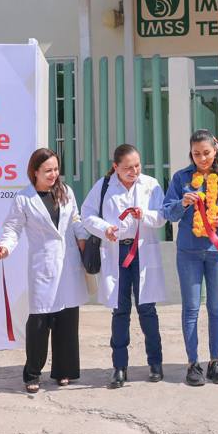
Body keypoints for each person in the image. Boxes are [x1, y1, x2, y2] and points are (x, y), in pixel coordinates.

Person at [0, 148, 91, 392]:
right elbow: (13, 228)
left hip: (69, 263)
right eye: (48, 170)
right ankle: (32, 373)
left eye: (56, 169)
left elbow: (76, 220)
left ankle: (63, 371)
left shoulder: (66, 192)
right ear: (35, 171)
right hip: (44, 265)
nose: (53, 174)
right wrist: (5, 246)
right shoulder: (24, 198)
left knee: (67, 319)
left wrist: (84, 242)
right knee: (40, 320)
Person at [162, 130, 218, 387]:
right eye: (196, 154)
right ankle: (192, 363)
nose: (202, 158)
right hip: (189, 251)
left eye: (206, 153)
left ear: (215, 149)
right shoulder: (181, 178)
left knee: (216, 307)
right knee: (191, 308)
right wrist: (182, 204)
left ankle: (215, 361)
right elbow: (168, 212)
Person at [81, 144, 167, 389]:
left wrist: (145, 216)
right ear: (116, 167)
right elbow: (86, 215)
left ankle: (155, 363)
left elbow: (161, 217)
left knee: (147, 309)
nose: (134, 171)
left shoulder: (150, 184)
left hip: (142, 252)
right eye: (128, 167)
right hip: (116, 252)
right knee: (120, 311)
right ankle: (119, 366)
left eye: (137, 165)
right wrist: (105, 228)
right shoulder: (104, 186)